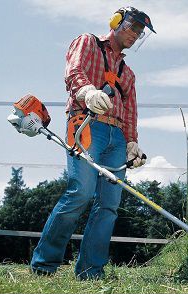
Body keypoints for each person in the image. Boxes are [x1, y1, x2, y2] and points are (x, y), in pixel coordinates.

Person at [30, 6, 155, 280]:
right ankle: (44, 264)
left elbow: (131, 109)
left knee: (109, 205)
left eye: (140, 32)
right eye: (132, 27)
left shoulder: (129, 74)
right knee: (80, 193)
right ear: (116, 22)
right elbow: (74, 70)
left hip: (117, 137)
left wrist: (132, 142)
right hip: (85, 125)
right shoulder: (87, 42)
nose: (135, 34)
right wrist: (87, 92)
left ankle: (90, 271)